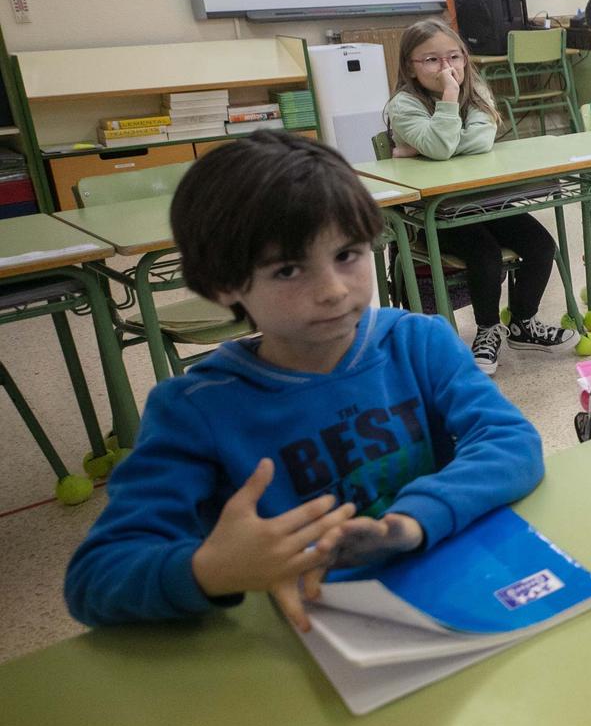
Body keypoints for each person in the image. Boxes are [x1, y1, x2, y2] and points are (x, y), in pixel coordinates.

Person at [64, 132, 544, 630]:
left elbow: (510, 441)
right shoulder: (194, 409)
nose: (334, 291)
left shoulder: (419, 343)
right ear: (222, 284)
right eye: (290, 270)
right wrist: (210, 570)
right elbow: (95, 578)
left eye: (348, 255)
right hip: (301, 637)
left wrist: (412, 522)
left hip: (443, 595)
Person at [384, 20, 571, 374]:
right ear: (409, 65)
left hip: (486, 201)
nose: (447, 69)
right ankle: (488, 330)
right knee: (484, 253)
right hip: (434, 214)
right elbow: (442, 149)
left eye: (454, 57)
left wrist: (422, 147)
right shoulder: (404, 105)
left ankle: (523, 323)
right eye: (432, 61)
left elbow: (479, 142)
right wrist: (450, 100)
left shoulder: (478, 90)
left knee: (541, 244)